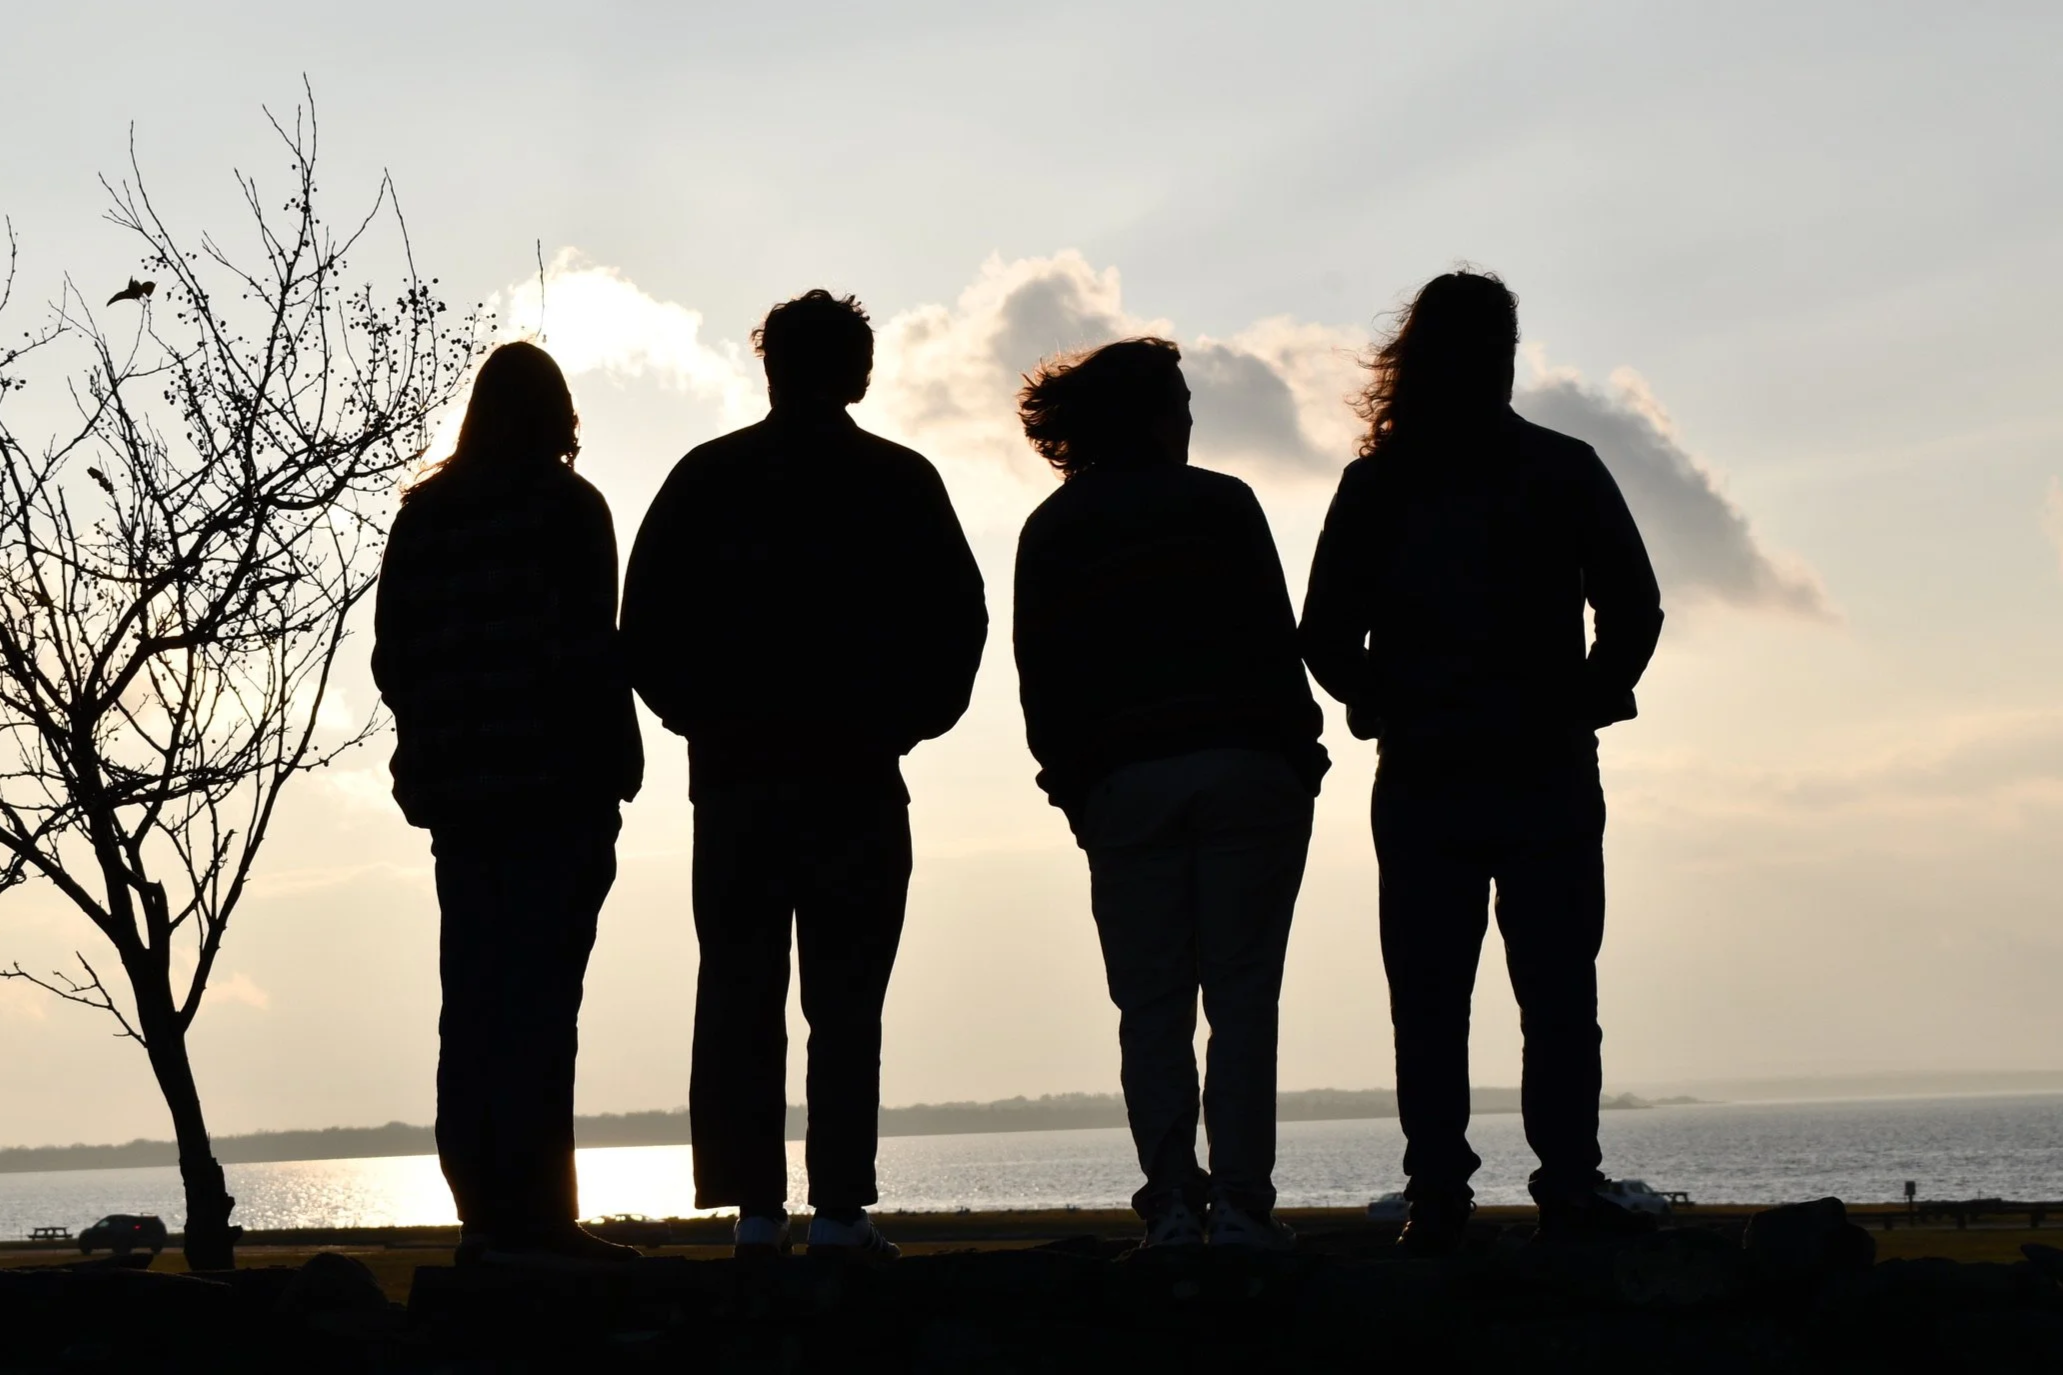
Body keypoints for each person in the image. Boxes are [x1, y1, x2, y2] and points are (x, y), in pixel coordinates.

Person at [1299, 271, 1665, 1254]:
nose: (1498, 366)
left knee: (1461, 998)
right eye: (1492, 347)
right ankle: (1530, 1187)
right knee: (1534, 996)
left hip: (1454, 770)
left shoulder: (1389, 482)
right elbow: (1632, 608)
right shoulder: (1551, 468)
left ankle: (1463, 1195)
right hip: (1505, 769)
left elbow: (1325, 634)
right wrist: (1585, 696)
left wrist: (1376, 699)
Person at [622, 289, 987, 1259]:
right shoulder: (900, 482)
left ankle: (755, 1210)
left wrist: (701, 720)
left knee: (740, 991)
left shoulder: (706, 478)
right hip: (855, 777)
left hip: (739, 783)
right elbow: (960, 623)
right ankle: (837, 1210)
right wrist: (904, 725)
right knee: (846, 997)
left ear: (769, 364)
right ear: (858, 372)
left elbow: (643, 632)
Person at [1013, 338, 1328, 1250]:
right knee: (1240, 1000)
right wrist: (1297, 759)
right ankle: (1238, 1202)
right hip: (1242, 772)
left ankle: (1173, 1202)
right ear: (1152, 414)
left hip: (1125, 786)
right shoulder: (1221, 504)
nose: (1191, 416)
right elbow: (1277, 643)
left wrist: (1076, 787)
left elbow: (1043, 679)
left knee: (1149, 1007)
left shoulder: (1055, 527)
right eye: (1180, 400)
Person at [372, 341, 644, 1267]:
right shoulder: (570, 510)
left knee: (474, 999)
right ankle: (542, 1215)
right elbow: (594, 654)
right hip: (555, 793)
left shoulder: (422, 520)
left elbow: (392, 662)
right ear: (557, 415)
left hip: (464, 800)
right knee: (540, 1003)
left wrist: (444, 741)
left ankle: (485, 1212)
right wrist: (612, 769)